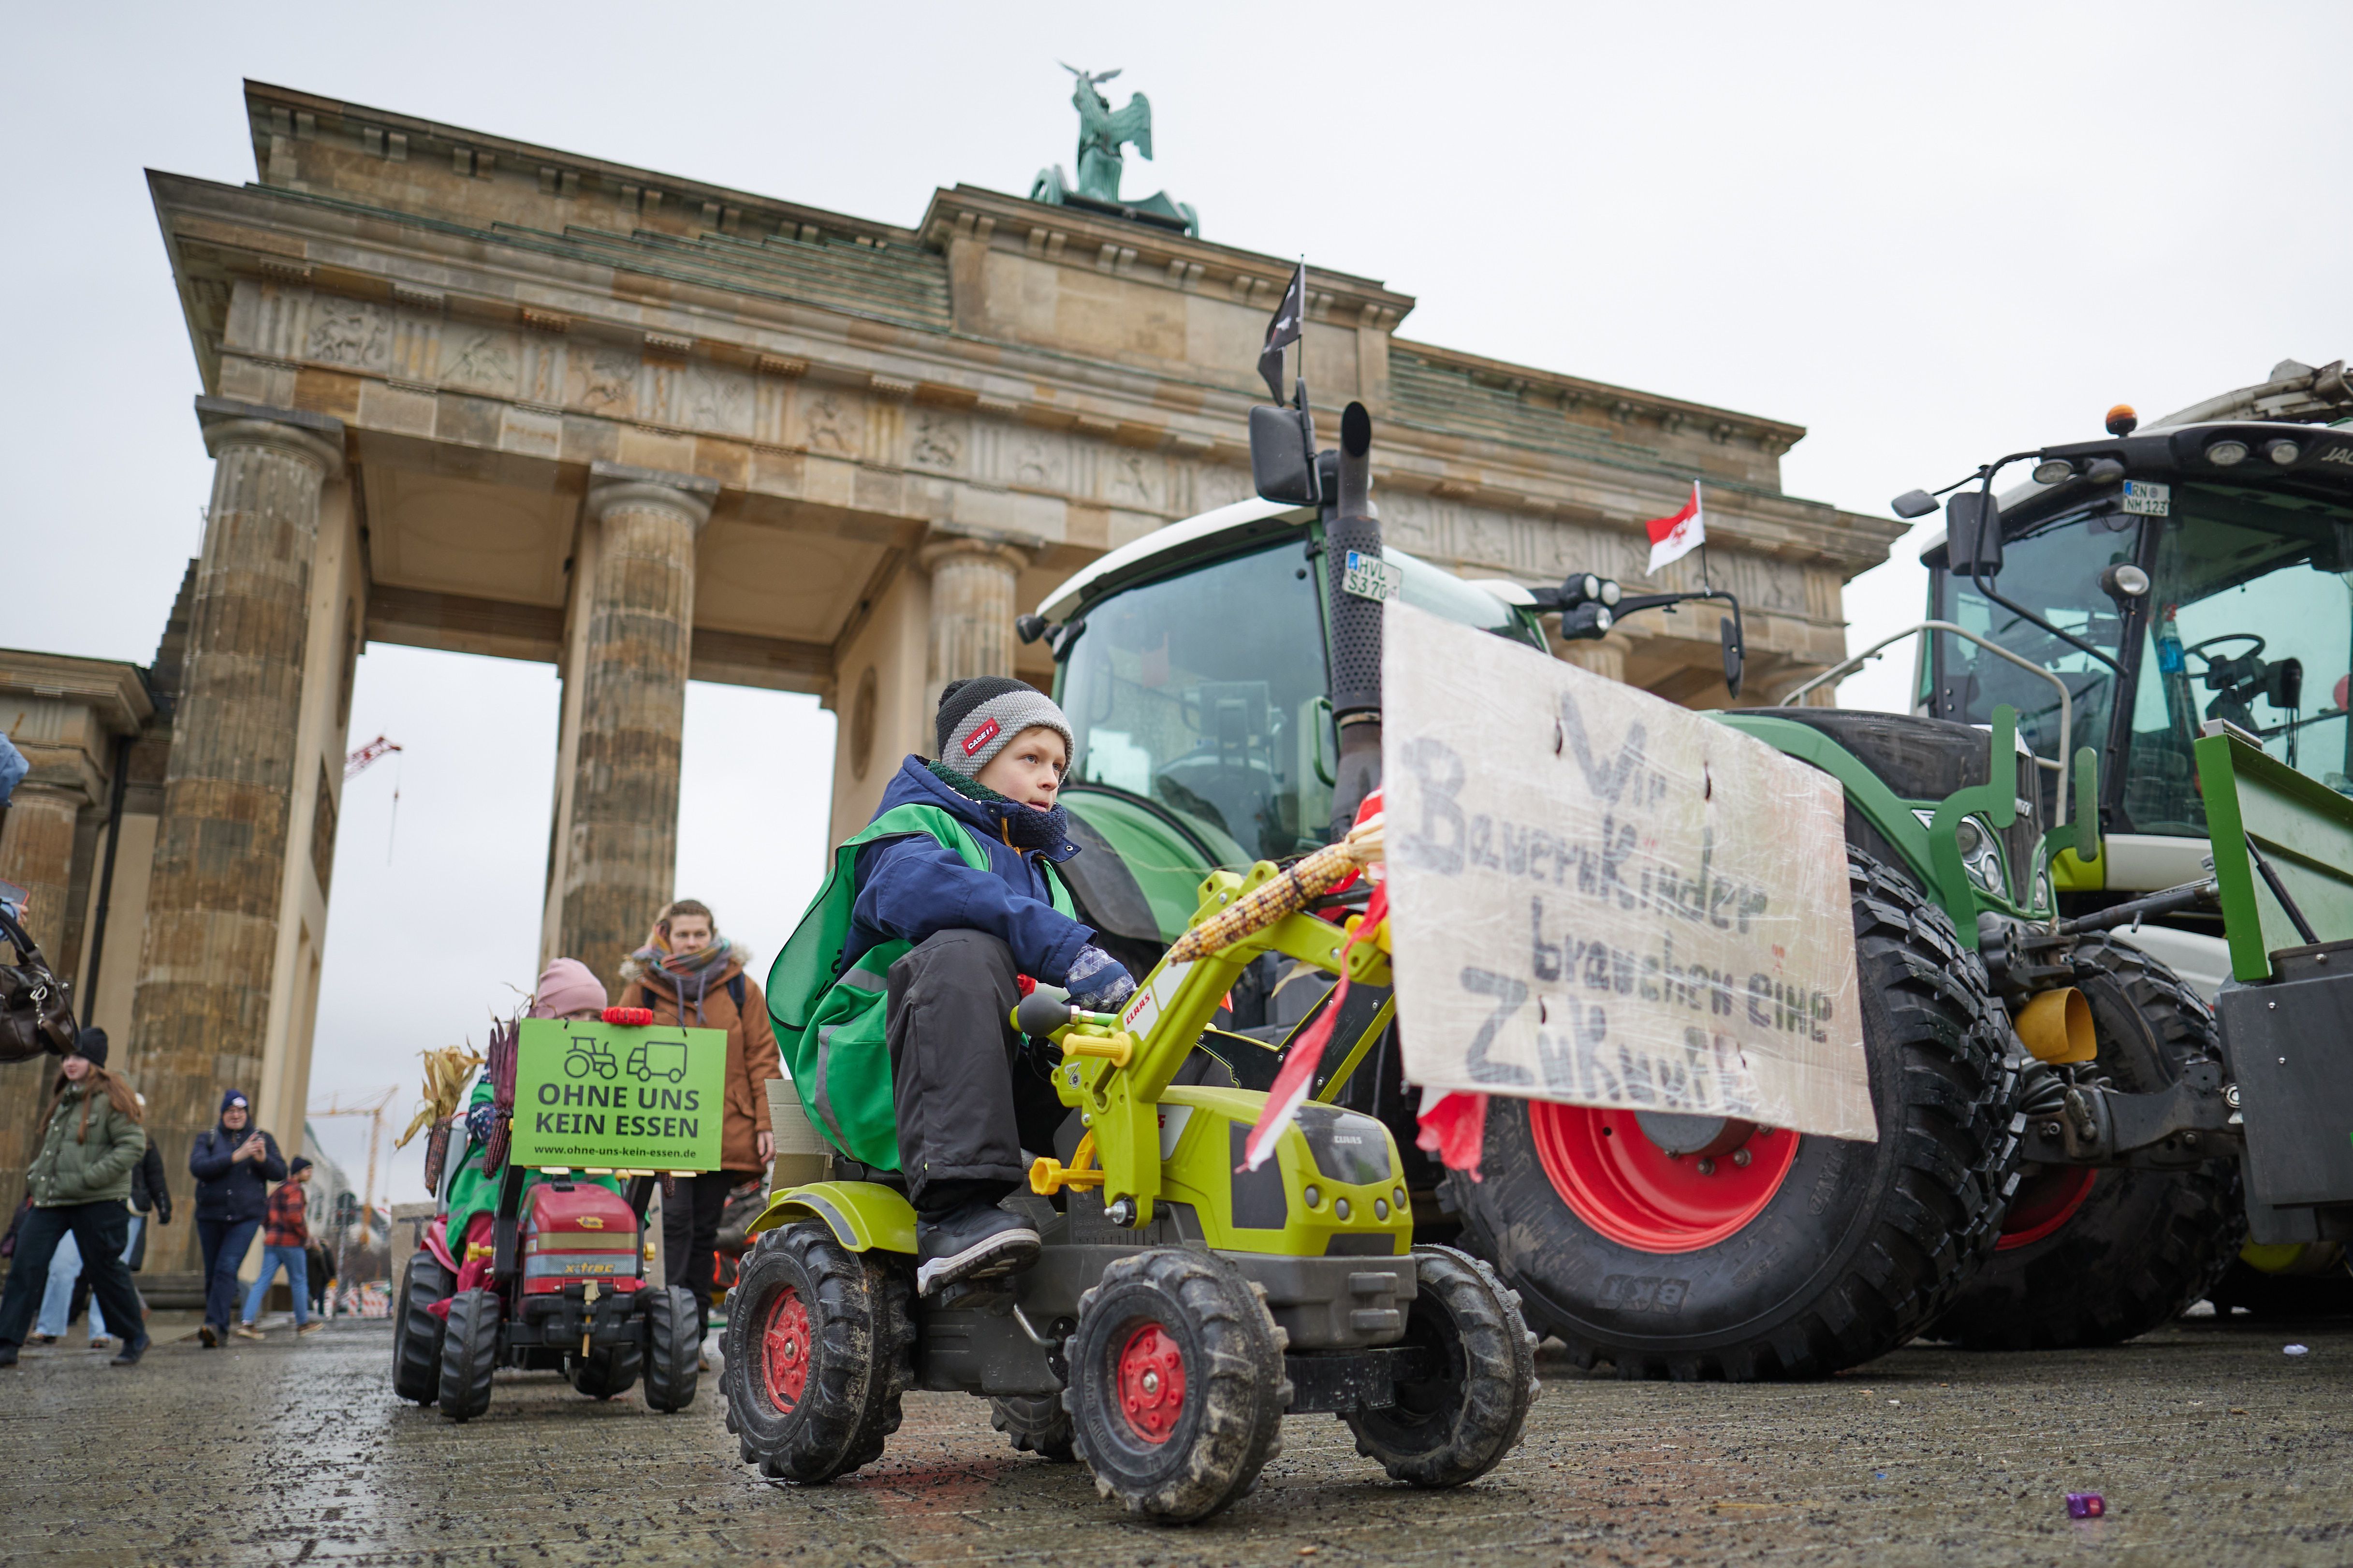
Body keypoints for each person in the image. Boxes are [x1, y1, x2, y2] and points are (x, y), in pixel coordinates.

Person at [769, 677, 1136, 1296]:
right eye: (1032, 759)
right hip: (881, 1061)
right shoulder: (910, 832)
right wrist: (1063, 948)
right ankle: (954, 1212)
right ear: (975, 758)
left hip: (996, 1062)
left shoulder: (1046, 876)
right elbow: (918, 892)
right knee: (967, 947)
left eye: (1058, 767)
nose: (1052, 779)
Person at [622, 900, 781, 1339]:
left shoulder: (740, 988)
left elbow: (762, 1056)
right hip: (663, 1129)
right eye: (683, 934)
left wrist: (766, 1122)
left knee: (705, 1229)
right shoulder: (644, 987)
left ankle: (686, 1335)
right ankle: (672, 1329)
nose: (692, 942)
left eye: (699, 934)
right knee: (674, 1223)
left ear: (712, 935)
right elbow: (617, 1046)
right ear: (666, 936)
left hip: (723, 1128)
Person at [435, 959, 623, 1298]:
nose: (586, 1025)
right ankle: (482, 1295)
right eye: (574, 1016)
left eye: (595, 1017)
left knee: (619, 1222)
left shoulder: (611, 1064)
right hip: (510, 1180)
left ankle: (624, 1286)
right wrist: (504, 1124)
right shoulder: (511, 1059)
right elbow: (482, 1109)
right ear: (549, 1018)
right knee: (487, 1235)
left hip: (587, 1177)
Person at [0, 1033, 151, 1366]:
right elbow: (53, 1150)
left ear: (94, 1062)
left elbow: (132, 1146)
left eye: (78, 1057)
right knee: (26, 1263)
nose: (70, 1063)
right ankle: (7, 1342)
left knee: (105, 1270)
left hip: (98, 1201)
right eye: (67, 1057)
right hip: (53, 1200)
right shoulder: (65, 1097)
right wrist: (36, 1177)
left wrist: (90, 1178)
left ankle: (135, 1336)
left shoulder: (112, 1097)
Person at [189, 1090, 286, 1347]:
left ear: (247, 1114)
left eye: (240, 1112)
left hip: (246, 1217)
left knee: (227, 1267)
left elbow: (280, 1172)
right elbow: (198, 1168)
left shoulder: (262, 1139)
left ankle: (212, 1323)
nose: (235, 1115)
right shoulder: (208, 1138)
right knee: (213, 1273)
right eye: (230, 1111)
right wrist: (235, 1157)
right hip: (210, 1215)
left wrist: (263, 1160)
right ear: (223, 1115)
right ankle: (218, 1330)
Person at [236, 1157, 320, 1339]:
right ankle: (303, 1324)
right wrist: (305, 1236)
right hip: (291, 1244)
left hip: (272, 1243)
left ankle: (247, 1323)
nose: (310, 1174)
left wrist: (271, 1232)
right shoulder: (296, 1190)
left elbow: (264, 1217)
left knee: (262, 1282)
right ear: (298, 1172)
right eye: (308, 1170)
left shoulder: (278, 1190)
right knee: (298, 1282)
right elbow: (295, 1217)